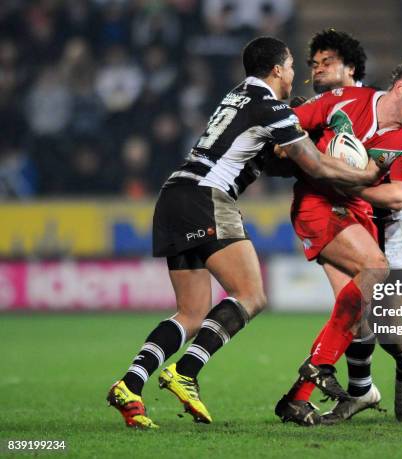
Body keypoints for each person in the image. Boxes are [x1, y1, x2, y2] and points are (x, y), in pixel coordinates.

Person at [106, 36, 385, 429]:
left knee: (191, 312)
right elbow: (317, 166)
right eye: (290, 66)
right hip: (208, 197)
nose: (294, 74)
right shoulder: (269, 106)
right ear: (276, 69)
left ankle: (129, 385)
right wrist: (367, 175)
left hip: (174, 195)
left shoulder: (236, 96)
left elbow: (269, 159)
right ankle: (184, 372)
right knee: (251, 295)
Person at [274, 52, 402, 426]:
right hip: (347, 213)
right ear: (400, 87)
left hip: (395, 222)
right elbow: (288, 126)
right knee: (350, 309)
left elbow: (398, 196)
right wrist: (290, 151)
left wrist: (342, 178)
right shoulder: (350, 101)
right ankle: (359, 391)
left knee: (384, 321)